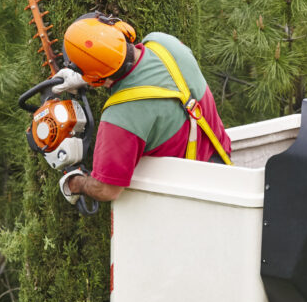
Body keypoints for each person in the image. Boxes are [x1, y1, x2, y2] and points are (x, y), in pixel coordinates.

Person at [50, 12, 231, 204]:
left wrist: (75, 183)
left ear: (95, 79)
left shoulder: (120, 117)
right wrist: (88, 77)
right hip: (222, 166)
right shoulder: (163, 43)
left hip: (191, 198)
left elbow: (107, 189)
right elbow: (150, 77)